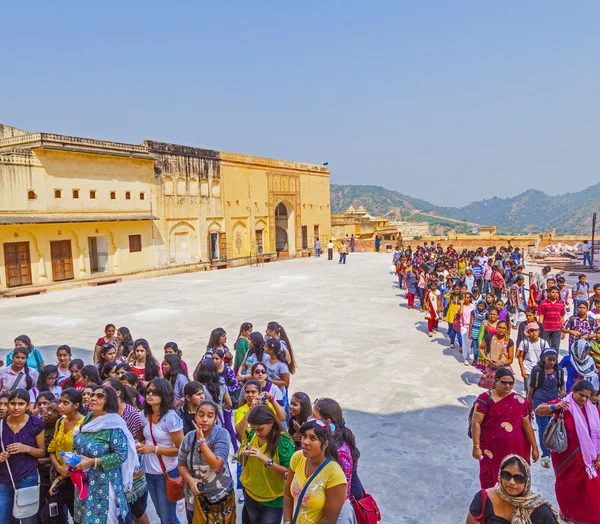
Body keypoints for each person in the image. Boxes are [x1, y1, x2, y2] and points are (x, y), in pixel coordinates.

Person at [535, 379, 600, 523]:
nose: (583, 399)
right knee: (568, 489)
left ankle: (585, 517)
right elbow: (539, 410)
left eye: (587, 397)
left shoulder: (593, 410)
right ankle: (567, 513)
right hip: (566, 458)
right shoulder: (564, 403)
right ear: (573, 392)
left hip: (588, 460)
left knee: (589, 490)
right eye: (581, 395)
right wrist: (555, 406)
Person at [72, 385, 138, 524]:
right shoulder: (90, 418)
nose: (93, 398)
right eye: (93, 395)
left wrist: (91, 462)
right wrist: (75, 453)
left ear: (109, 402)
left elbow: (120, 456)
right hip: (85, 481)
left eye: (100, 396)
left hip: (104, 485)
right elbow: (79, 438)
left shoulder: (114, 425)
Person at [471, 368, 539, 489]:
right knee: (491, 481)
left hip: (515, 450)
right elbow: (476, 423)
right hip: (491, 451)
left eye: (511, 383)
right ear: (496, 381)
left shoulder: (520, 401)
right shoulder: (484, 399)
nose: (508, 386)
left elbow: (527, 425)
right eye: (504, 382)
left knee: (514, 481)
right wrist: (476, 447)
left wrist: (534, 447)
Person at [178, 400, 236, 524]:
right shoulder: (188, 437)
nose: (204, 419)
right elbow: (181, 464)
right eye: (201, 415)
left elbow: (216, 465)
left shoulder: (221, 434)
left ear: (215, 419)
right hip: (195, 497)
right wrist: (189, 479)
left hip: (220, 496)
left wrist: (202, 442)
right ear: (195, 416)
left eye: (210, 416)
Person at [283, 419, 347, 524]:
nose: (305, 442)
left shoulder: (335, 475)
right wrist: (287, 522)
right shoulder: (297, 457)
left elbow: (328, 520)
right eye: (304, 436)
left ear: (325, 444)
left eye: (313, 438)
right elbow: (288, 495)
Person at [138, 378, 184, 524]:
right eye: (148, 391)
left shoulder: (171, 418)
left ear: (164, 395)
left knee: (167, 517)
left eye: (155, 392)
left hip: (167, 473)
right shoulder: (144, 415)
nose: (150, 394)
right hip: (149, 471)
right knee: (160, 513)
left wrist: (154, 449)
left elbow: (180, 449)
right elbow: (141, 438)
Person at [239, 404, 295, 523]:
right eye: (254, 429)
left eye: (260, 429)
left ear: (270, 423)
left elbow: (288, 474)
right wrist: (243, 453)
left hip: (272, 502)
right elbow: (243, 461)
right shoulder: (253, 436)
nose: (257, 433)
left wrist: (266, 460)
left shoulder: (283, 441)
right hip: (250, 495)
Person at [466, 454, 559, 524]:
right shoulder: (483, 499)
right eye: (506, 475)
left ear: (527, 481)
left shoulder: (539, 509)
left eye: (518, 478)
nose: (511, 482)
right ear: (500, 475)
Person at [0, 389, 46, 524]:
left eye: (21, 404)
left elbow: (41, 451)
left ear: (27, 405)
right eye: (13, 403)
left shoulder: (35, 423)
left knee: (27, 518)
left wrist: (26, 448)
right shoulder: (1, 424)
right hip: (4, 476)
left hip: (27, 476)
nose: (16, 407)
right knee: (2, 518)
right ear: (8, 404)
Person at [44, 387, 84, 523]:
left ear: (76, 405)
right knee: (56, 517)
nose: (60, 406)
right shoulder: (60, 421)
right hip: (58, 473)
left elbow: (80, 454)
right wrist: (58, 468)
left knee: (78, 516)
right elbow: (52, 448)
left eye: (65, 403)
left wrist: (62, 475)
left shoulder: (84, 424)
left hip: (76, 478)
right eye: (60, 402)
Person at [313, 397, 364, 502]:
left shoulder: (340, 451)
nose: (310, 420)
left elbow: (342, 492)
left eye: (314, 417)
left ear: (327, 422)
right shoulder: (326, 440)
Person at [527, 349, 565, 468]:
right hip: (540, 402)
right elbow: (531, 388)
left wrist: (563, 393)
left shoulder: (558, 371)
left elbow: (561, 385)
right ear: (544, 358)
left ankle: (553, 449)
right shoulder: (537, 370)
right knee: (543, 428)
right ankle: (546, 454)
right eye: (549, 359)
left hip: (554, 402)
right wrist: (528, 405)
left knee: (553, 426)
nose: (552, 362)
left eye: (554, 360)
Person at [211, 349, 240, 451]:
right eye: (213, 359)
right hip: (215, 403)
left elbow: (236, 385)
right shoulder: (211, 371)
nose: (214, 361)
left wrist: (224, 391)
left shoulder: (227, 370)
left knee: (228, 426)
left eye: (217, 359)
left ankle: (236, 449)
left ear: (222, 359)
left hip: (226, 403)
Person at [517, 322, 550, 395]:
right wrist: (522, 370)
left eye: (535, 330)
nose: (534, 333)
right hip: (527, 368)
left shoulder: (544, 343)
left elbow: (548, 357)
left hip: (540, 369)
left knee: (539, 389)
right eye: (531, 331)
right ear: (528, 332)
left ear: (538, 331)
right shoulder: (524, 343)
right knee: (528, 389)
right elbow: (520, 357)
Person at [444, 284, 463, 349]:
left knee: (459, 332)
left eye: (458, 289)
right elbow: (445, 295)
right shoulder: (451, 296)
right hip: (451, 315)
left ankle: (461, 345)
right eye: (455, 289)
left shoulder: (462, 297)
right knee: (452, 331)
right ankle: (452, 343)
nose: (457, 290)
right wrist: (450, 290)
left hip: (458, 316)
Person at [459, 292, 476, 365]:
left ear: (470, 299)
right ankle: (465, 357)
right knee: (465, 342)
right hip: (463, 326)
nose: (466, 299)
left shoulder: (473, 306)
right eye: (465, 297)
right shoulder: (461, 306)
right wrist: (462, 304)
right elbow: (460, 313)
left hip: (471, 326)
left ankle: (468, 354)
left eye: (467, 298)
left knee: (469, 342)